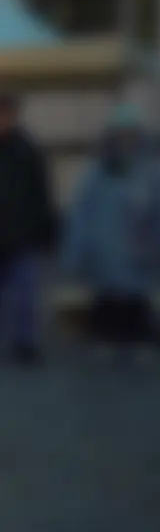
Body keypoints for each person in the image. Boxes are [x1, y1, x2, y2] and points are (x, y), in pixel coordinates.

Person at [60, 104, 160, 342]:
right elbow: (81, 214)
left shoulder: (152, 172)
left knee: (136, 310)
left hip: (140, 255)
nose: (126, 139)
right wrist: (74, 254)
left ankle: (136, 353)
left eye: (131, 133)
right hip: (104, 257)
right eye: (121, 133)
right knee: (106, 309)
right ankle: (106, 354)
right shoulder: (97, 172)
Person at [0, 94, 56, 361]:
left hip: (21, 236)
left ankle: (25, 345)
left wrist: (46, 232)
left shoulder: (27, 150)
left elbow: (41, 194)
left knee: (26, 295)